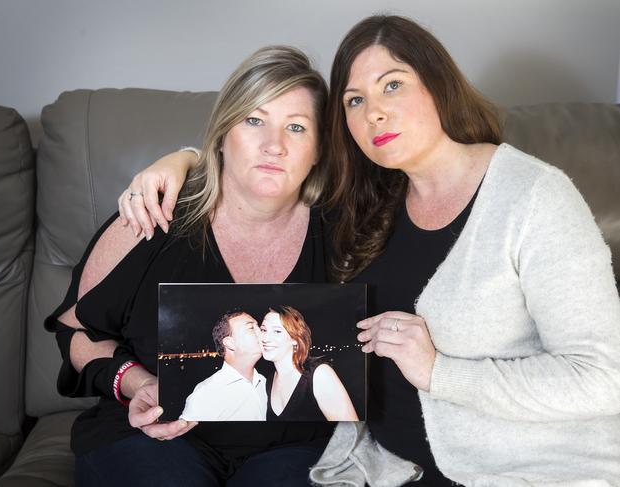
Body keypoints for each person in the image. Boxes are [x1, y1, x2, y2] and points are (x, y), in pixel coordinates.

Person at [118, 15, 620, 487]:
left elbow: (604, 377)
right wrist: (184, 160)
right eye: (354, 100)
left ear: (439, 84)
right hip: (385, 467)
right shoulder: (370, 196)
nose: (374, 111)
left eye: (393, 84)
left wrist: (439, 372)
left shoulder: (533, 197)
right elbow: (265, 154)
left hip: (519, 471)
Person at [45, 45, 337, 486]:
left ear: (317, 150)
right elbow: (77, 331)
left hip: (294, 450)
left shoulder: (349, 235)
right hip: (153, 441)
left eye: (296, 127)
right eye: (253, 120)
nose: (273, 145)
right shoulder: (151, 217)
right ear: (223, 135)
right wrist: (137, 382)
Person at [260, 306, 358, 421]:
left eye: (277, 331)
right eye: (263, 330)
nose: (265, 338)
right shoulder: (268, 381)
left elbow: (352, 431)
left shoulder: (319, 374)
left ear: (295, 339)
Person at [179, 311, 267, 421]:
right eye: (251, 328)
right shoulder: (206, 394)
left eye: (258, 327)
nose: (262, 332)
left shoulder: (265, 383)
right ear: (230, 343)